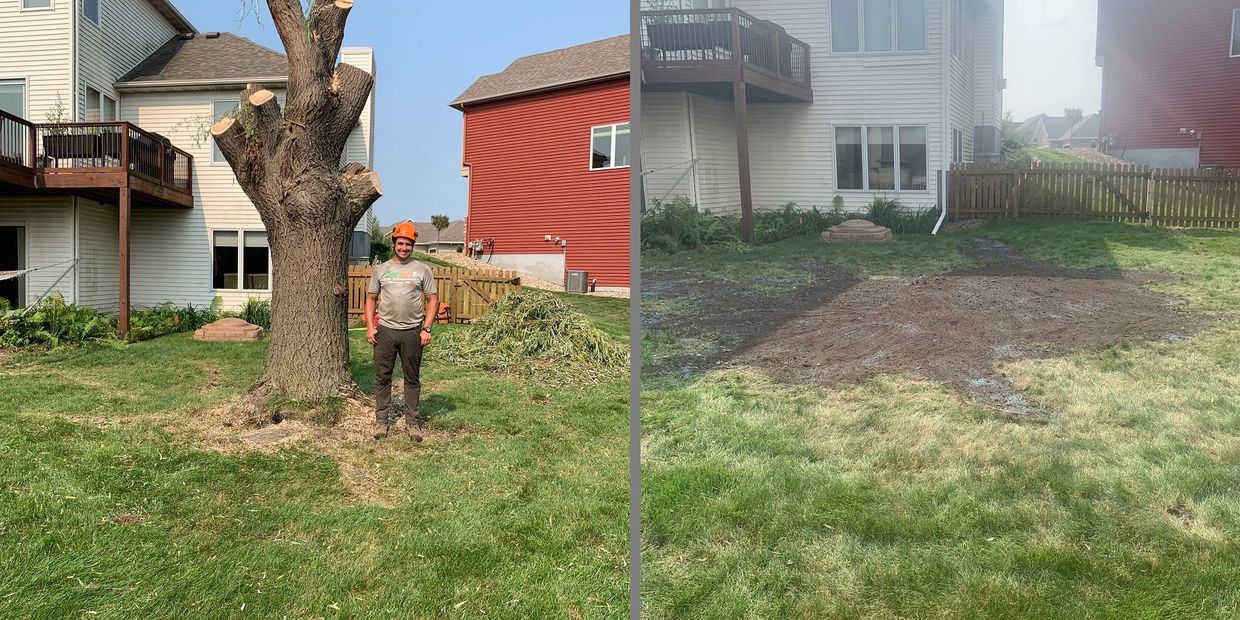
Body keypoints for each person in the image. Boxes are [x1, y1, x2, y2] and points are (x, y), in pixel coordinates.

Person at [365, 221, 439, 440]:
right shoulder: (381, 270)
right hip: (385, 331)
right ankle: (381, 423)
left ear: (413, 246)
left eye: (408, 244)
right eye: (401, 243)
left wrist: (426, 328)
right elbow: (370, 299)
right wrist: (371, 327)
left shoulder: (422, 270)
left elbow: (433, 300)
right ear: (394, 244)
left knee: (412, 378)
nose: (404, 248)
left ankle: (413, 423)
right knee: (382, 378)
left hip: (412, 332)